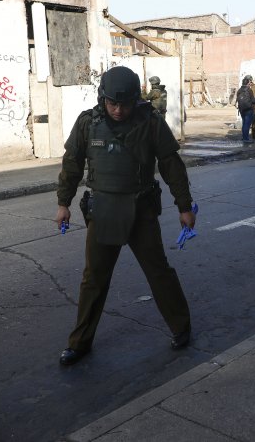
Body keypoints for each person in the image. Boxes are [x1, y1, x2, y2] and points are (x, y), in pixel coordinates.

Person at [54, 65, 196, 366]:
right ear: (102, 98)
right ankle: (79, 343)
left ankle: (181, 328)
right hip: (103, 211)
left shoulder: (152, 123)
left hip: (140, 211)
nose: (118, 110)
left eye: (125, 104)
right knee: (93, 279)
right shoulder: (87, 123)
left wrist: (184, 206)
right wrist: (63, 203)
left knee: (159, 272)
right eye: (112, 103)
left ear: (136, 100)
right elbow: (71, 165)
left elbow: (172, 166)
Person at [236, 76, 255, 142]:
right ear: (248, 83)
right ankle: (246, 138)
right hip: (248, 109)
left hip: (241, 109)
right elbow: (253, 100)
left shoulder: (239, 90)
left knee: (244, 123)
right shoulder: (249, 90)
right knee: (247, 124)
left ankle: (244, 137)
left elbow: (238, 100)